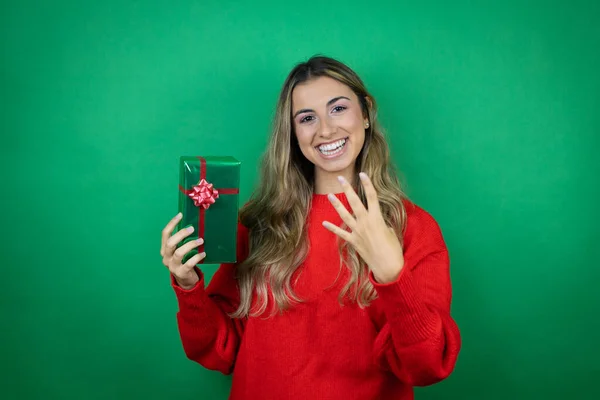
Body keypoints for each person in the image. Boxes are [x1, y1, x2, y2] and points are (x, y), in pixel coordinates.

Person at [160, 55, 461, 399]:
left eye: (338, 108)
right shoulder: (257, 224)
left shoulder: (413, 228)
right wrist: (187, 285)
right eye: (307, 118)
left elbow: (426, 367)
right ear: (292, 133)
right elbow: (220, 349)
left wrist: (393, 275)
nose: (326, 130)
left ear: (366, 113)